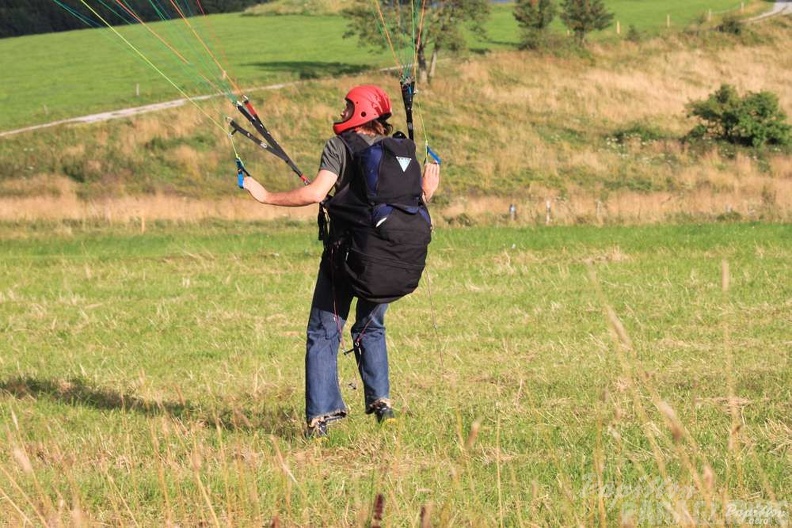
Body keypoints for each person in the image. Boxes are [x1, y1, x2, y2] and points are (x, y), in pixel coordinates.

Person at [240, 84, 440, 438]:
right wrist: (428, 189)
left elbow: (316, 193)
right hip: (389, 258)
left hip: (348, 257)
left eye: (348, 107)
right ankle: (382, 403)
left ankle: (321, 417)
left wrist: (266, 196)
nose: (342, 112)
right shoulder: (399, 149)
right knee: (371, 326)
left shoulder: (339, 146)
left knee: (323, 332)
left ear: (363, 111)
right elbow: (413, 198)